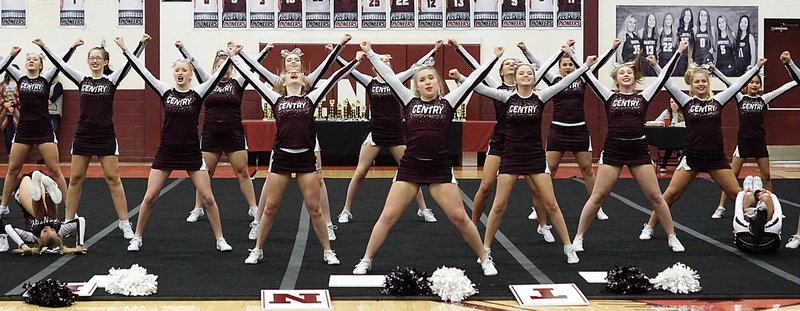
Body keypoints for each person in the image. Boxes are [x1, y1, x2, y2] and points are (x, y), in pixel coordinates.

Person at [351, 41, 501, 276]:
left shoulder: (448, 102)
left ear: (438, 83)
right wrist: (370, 52)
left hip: (439, 169)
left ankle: (484, 257)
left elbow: (472, 80)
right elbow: (389, 75)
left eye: (431, 78)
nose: (427, 82)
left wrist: (494, 58)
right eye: (422, 80)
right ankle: (366, 259)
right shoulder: (409, 101)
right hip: (410, 167)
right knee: (388, 216)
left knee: (460, 218)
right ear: (416, 87)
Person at [452, 46, 598, 265]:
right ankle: (486, 249)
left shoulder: (541, 96)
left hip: (535, 157)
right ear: (516, 79)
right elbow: (478, 86)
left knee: (552, 204)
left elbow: (565, 82)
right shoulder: (504, 96)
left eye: (529, 73)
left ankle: (568, 247)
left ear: (534, 77)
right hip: (510, 156)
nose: (526, 75)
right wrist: (462, 77)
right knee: (499, 205)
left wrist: (585, 66)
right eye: (522, 73)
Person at [229, 43, 361, 265]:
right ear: (283, 79)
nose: (294, 73)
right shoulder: (275, 98)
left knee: (315, 209)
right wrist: (234, 58)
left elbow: (335, 77)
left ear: (303, 80)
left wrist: (354, 59)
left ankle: (328, 251)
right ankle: (257, 249)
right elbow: (250, 78)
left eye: (298, 73)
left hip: (305, 159)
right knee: (270, 208)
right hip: (281, 158)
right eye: (290, 72)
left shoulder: (311, 99)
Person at [115, 36, 233, 252]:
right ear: (174, 74)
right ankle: (137, 236)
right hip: (167, 151)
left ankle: (220, 238)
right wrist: (125, 49)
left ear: (190, 75)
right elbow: (143, 71)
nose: (180, 73)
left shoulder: (198, 92)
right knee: (150, 197)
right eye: (177, 70)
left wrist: (231, 57)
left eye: (184, 70)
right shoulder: (165, 91)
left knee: (207, 197)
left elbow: (216, 77)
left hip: (191, 152)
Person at [572, 40, 689, 254]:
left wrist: (679, 52)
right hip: (614, 150)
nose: (626, 75)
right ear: (616, 79)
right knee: (597, 196)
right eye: (622, 73)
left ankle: (672, 236)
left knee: (656, 197)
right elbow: (587, 77)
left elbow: (664, 77)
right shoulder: (609, 96)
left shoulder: (643, 96)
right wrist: (574, 56)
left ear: (635, 78)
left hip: (638, 152)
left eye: (629, 72)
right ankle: (578, 237)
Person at [35, 36, 150, 236]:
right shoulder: (82, 79)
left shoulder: (111, 80)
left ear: (105, 62)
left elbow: (130, 65)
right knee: (77, 178)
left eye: (98, 58)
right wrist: (47, 46)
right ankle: (69, 221)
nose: (94, 60)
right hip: (83, 135)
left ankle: (124, 223)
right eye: (91, 57)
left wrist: (132, 46)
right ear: (88, 61)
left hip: (105, 136)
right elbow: (59, 64)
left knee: (113, 179)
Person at [642, 53, 767, 238]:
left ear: (708, 84)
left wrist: (756, 68)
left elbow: (739, 84)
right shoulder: (686, 101)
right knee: (670, 194)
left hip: (716, 158)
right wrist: (655, 65)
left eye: (704, 81)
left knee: (736, 194)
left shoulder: (718, 100)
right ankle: (649, 226)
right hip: (692, 157)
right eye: (697, 82)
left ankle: (752, 225)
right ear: (691, 86)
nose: (701, 84)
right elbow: (667, 82)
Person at [451, 38, 555, 240]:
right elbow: (476, 71)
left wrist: (526, 52)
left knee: (537, 188)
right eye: (508, 64)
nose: (512, 65)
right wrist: (460, 49)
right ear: (501, 72)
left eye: (515, 64)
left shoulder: (528, 87)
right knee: (486, 186)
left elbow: (544, 66)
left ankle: (543, 225)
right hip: (500, 143)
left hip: (524, 144)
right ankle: (472, 225)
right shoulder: (496, 87)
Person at [336, 41, 443, 224]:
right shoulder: (369, 81)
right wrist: (336, 54)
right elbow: (349, 71)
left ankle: (423, 209)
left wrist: (433, 50)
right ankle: (346, 210)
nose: (384, 62)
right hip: (376, 132)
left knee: (410, 172)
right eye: (381, 59)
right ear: (374, 65)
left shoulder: (397, 80)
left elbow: (416, 67)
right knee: (360, 172)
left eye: (387, 60)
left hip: (396, 133)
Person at [519, 39, 618, 229]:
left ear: (574, 65)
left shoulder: (582, 78)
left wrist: (612, 49)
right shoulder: (554, 80)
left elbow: (596, 64)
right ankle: (538, 207)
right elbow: (539, 67)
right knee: (548, 171)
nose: (567, 67)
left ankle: (597, 207)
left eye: (570, 64)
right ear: (559, 67)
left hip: (579, 130)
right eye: (564, 65)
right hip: (558, 130)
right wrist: (526, 51)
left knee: (588, 170)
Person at [176, 41, 269, 236]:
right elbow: (195, 63)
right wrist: (182, 48)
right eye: (221, 66)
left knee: (242, 172)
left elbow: (251, 68)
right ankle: (198, 208)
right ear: (215, 68)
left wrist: (265, 52)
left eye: (228, 66)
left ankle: (253, 207)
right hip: (211, 133)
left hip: (234, 132)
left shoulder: (238, 82)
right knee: (205, 173)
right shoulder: (208, 81)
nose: (225, 69)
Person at [711, 51, 800, 218]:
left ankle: (772, 207)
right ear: (746, 85)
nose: (754, 85)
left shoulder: (763, 99)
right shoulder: (740, 97)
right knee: (731, 176)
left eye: (757, 83)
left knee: (766, 176)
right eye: (751, 82)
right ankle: (721, 207)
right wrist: (715, 71)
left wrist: (796, 81)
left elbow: (782, 88)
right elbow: (729, 83)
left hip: (759, 142)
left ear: (760, 86)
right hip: (743, 142)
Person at [0, 41, 80, 218]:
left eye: (35, 59)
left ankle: (70, 210)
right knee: (13, 169)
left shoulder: (46, 78)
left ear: (40, 64)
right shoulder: (20, 76)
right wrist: (11, 54)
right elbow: (3, 65)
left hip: (44, 129)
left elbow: (60, 61)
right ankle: (4, 205)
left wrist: (71, 47)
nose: (31, 61)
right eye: (28, 59)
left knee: (55, 170)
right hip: (23, 129)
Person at [2, 170, 86, 255]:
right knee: (52, 216)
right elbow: (80, 220)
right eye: (52, 230)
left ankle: (36, 196)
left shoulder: (32, 237)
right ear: (58, 235)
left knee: (38, 215)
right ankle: (48, 193)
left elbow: (8, 227)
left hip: (26, 189)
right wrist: (79, 244)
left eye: (45, 231)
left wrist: (23, 245)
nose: (48, 227)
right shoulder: (61, 230)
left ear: (39, 240)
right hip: (43, 179)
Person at [733, 175, 782, 254]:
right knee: (766, 197)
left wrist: (743, 192)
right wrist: (771, 195)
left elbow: (738, 207)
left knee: (748, 196)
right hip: (770, 248)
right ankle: (759, 192)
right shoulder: (773, 226)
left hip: (744, 246)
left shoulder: (740, 225)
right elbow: (777, 210)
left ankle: (750, 192)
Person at [653, 98, 685, 174]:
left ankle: (664, 164)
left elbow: (689, 123)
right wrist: (663, 123)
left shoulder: (683, 112)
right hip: (669, 139)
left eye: (675, 102)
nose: (673, 104)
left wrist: (681, 124)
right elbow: (657, 121)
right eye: (671, 102)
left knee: (677, 143)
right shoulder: (667, 112)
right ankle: (678, 158)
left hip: (681, 138)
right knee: (671, 143)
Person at [1, 68, 19, 155]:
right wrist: (5, 104)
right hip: (5, 113)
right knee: (8, 134)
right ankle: (9, 154)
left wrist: (12, 104)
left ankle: (16, 155)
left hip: (17, 113)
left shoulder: (20, 84)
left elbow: (22, 97)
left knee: (17, 134)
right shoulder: (2, 85)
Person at [675, 7, 694, 77]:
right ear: (683, 16)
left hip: (690, 58)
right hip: (680, 58)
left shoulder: (694, 29)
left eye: (689, 15)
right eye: (686, 15)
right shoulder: (678, 29)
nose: (687, 17)